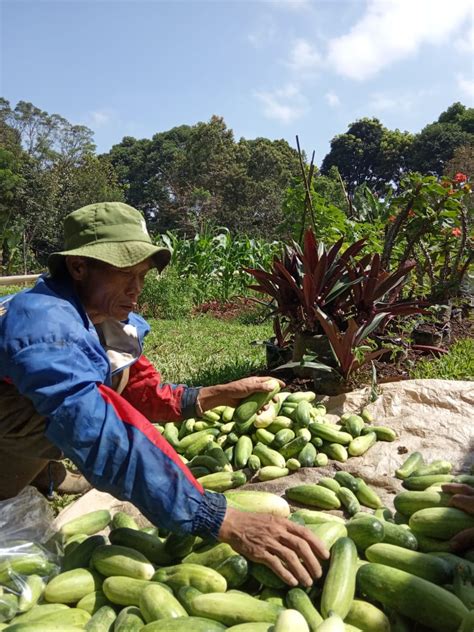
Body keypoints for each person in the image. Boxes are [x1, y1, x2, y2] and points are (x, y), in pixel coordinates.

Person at [0, 201, 328, 586]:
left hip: (28, 410)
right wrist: (212, 514)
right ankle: (20, 473)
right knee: (59, 422)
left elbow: (137, 386)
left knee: (91, 394)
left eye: (142, 275)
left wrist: (212, 394)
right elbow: (97, 430)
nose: (136, 289)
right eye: (125, 273)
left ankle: (44, 471)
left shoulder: (102, 315)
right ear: (78, 267)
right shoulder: (46, 325)